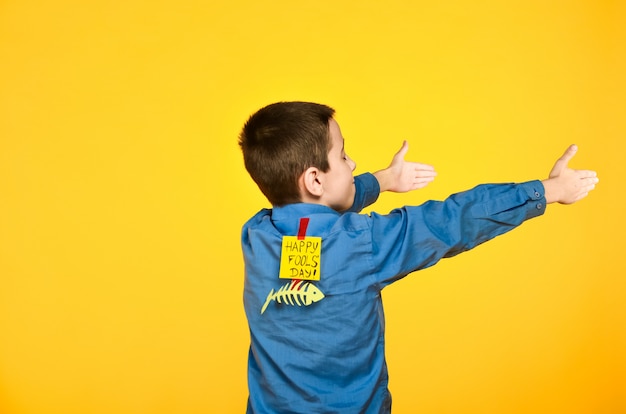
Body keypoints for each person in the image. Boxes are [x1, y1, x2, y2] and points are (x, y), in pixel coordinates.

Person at [238, 101, 598, 414]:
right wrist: (549, 190)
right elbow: (452, 219)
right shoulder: (365, 244)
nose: (354, 162)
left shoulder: (256, 236)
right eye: (344, 155)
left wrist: (383, 180)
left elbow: (314, 211)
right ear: (315, 179)